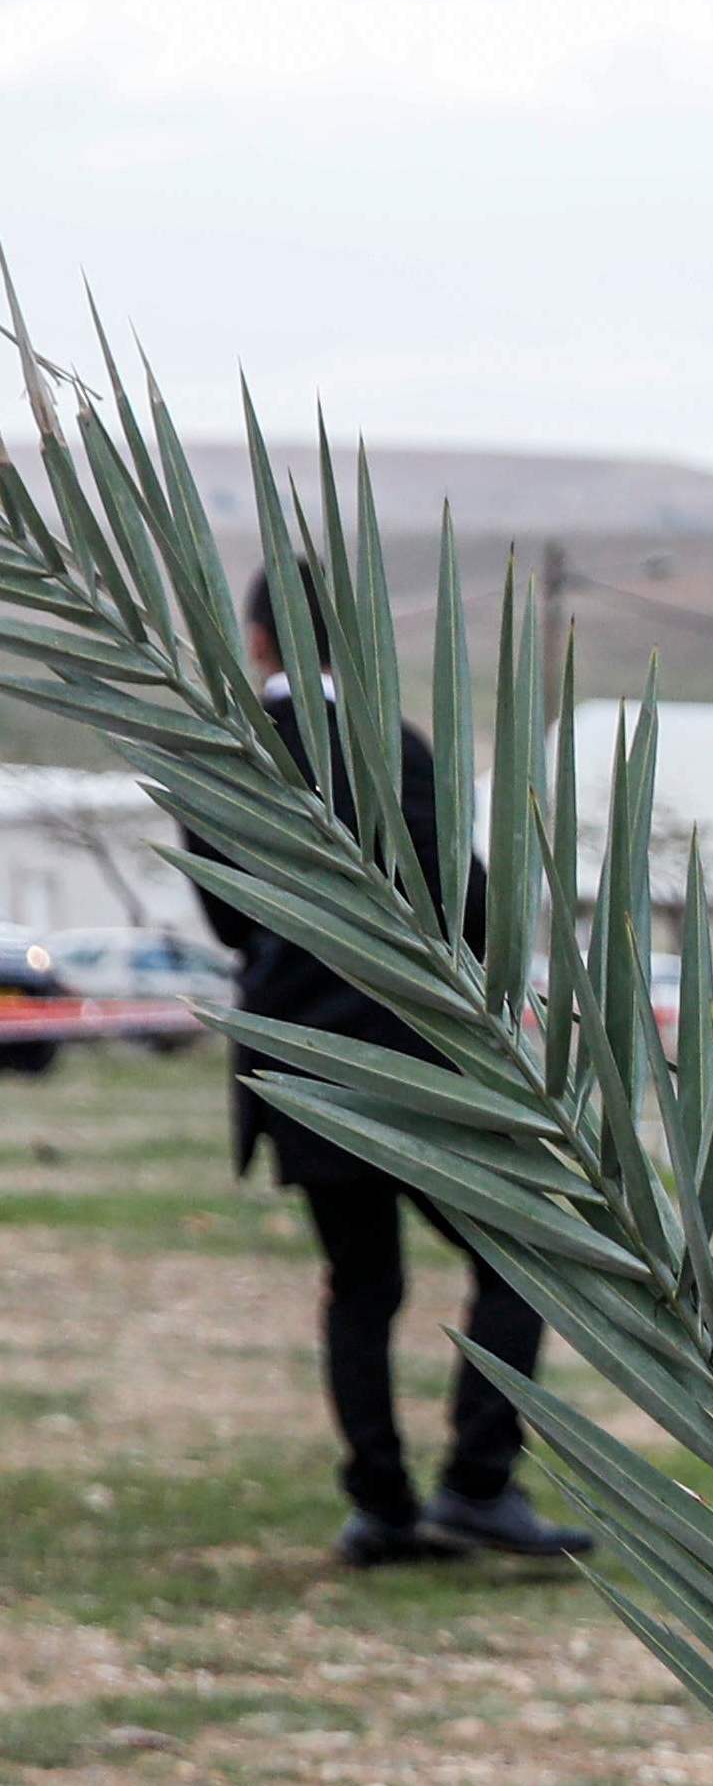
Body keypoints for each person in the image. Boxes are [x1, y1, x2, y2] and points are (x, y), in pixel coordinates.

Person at [185, 571, 590, 1568]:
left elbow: (231, 917)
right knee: (518, 1253)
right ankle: (477, 1484)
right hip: (412, 1054)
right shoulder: (386, 743)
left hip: (296, 1055)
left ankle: (382, 1505)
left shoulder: (219, 750)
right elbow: (461, 886)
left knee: (359, 1284)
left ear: (259, 638)